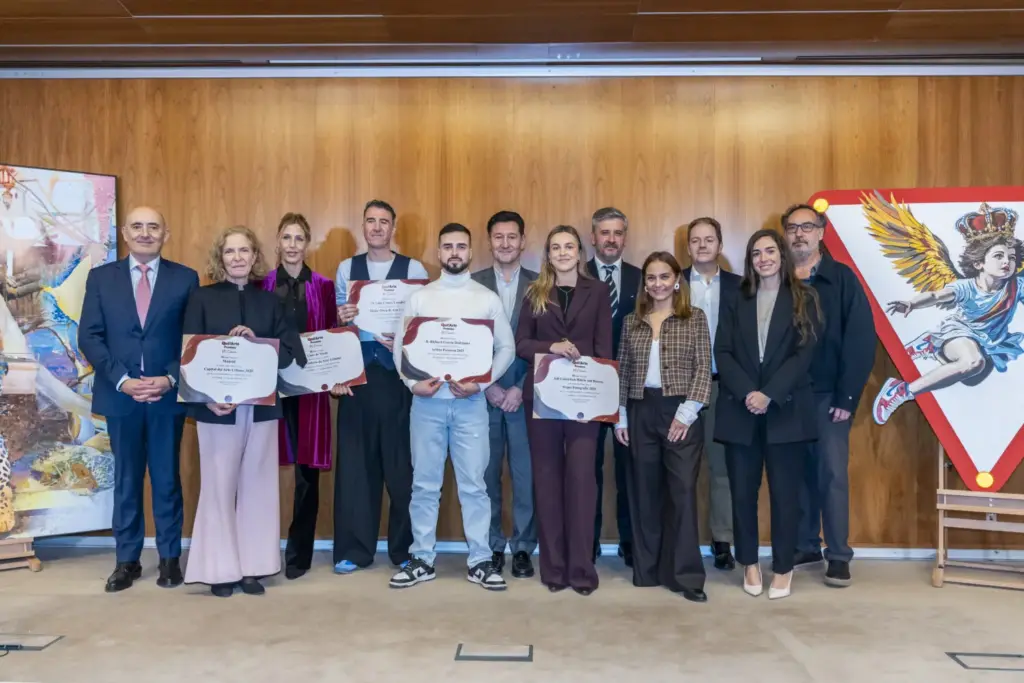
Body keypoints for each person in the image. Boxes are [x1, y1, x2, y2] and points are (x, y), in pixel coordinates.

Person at [388, 223, 515, 590]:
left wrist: (483, 381)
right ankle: (422, 558)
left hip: (470, 404)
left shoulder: (485, 298)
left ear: (471, 252)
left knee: (475, 486)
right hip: (427, 404)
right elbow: (401, 348)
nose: (455, 252)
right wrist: (413, 383)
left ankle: (480, 560)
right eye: (448, 247)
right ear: (438, 253)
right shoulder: (420, 298)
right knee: (424, 485)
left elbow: (505, 348)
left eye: (461, 246)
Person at [79, 206, 199, 593]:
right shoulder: (101, 278)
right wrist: (124, 380)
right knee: (127, 482)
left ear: (166, 233)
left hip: (167, 396)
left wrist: (167, 377)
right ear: (124, 234)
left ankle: (169, 559)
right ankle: (126, 561)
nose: (145, 233)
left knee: (166, 480)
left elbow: (192, 335)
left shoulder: (185, 278)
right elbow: (90, 337)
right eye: (137, 227)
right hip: (122, 398)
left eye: (153, 227)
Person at [182, 226, 306, 597]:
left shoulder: (271, 303)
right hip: (215, 409)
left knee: (258, 488)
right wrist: (205, 399)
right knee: (218, 489)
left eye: (244, 251)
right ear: (220, 259)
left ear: (255, 257)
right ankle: (219, 570)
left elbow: (290, 354)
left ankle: (253, 567)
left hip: (263, 409)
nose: (237, 257)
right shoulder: (201, 299)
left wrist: (258, 344)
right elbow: (188, 356)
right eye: (229, 251)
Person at [714, 229, 821, 600]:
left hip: (785, 411)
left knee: (784, 495)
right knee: (742, 493)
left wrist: (769, 394)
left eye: (770, 251)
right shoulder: (735, 298)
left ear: (782, 255)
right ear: (750, 260)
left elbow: (803, 354)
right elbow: (722, 352)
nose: (764, 258)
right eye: (756, 253)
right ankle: (749, 563)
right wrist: (748, 393)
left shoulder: (803, 297)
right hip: (740, 410)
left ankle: (783, 568)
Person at [333, 200, 429, 574]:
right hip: (358, 377)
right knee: (357, 466)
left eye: (384, 222)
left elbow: (425, 321)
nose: (376, 227)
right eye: (370, 221)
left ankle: (404, 550)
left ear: (394, 228)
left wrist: (405, 336)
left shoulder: (414, 269)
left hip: (400, 379)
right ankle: (354, 550)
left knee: (402, 468)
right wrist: (343, 317)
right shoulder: (347, 268)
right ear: (363, 227)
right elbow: (341, 325)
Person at [517, 225, 613, 595]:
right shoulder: (535, 291)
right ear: (548, 254)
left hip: (585, 400)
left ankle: (581, 570)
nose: (562, 252)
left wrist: (604, 400)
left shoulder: (598, 291)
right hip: (543, 398)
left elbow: (604, 347)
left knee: (581, 484)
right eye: (555, 247)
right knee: (547, 482)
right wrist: (552, 347)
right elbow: (522, 343)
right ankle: (554, 570)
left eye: (568, 246)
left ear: (579, 252)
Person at [783, 203, 875, 588]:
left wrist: (847, 397)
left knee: (832, 474)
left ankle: (838, 555)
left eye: (807, 227)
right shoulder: (778, 277)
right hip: (786, 397)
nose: (799, 234)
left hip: (828, 397)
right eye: (791, 228)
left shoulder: (842, 279)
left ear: (821, 232)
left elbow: (860, 341)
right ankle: (806, 544)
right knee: (797, 474)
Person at [614, 252, 712, 603]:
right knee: (644, 493)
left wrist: (686, 414)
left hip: (681, 410)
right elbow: (623, 371)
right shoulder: (632, 321)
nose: (657, 284)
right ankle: (648, 570)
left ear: (676, 280)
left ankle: (686, 576)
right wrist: (620, 416)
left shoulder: (694, 318)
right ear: (645, 283)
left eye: (663, 277)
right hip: (640, 410)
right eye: (650, 278)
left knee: (682, 494)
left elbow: (704, 368)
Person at [260, 213, 341, 580]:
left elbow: (333, 334)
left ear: (307, 244)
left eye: (299, 239)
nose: (292, 245)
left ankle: (300, 553)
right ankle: (260, 550)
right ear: (277, 242)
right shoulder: (261, 286)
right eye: (286, 238)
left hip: (310, 390)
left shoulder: (323, 286)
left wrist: (338, 375)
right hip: (270, 389)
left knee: (307, 473)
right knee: (261, 467)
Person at [472, 210, 539, 579]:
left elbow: (546, 342)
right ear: (489, 241)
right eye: (498, 237)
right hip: (484, 397)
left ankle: (524, 548)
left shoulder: (541, 283)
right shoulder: (471, 283)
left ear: (523, 241)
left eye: (512, 237)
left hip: (526, 395)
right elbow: (462, 344)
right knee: (486, 476)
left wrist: (520, 386)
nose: (505, 243)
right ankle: (493, 546)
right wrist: (490, 386)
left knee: (525, 476)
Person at [682, 217, 742, 571]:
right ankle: (681, 538)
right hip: (682, 390)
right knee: (680, 468)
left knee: (721, 469)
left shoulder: (740, 286)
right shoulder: (673, 285)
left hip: (723, 388)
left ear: (720, 245)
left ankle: (723, 541)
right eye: (695, 240)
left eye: (709, 239)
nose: (702, 245)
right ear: (687, 247)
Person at [585, 207, 641, 566]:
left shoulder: (642, 277)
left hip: (632, 391)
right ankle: (587, 541)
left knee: (631, 470)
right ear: (593, 237)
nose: (610, 239)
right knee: (586, 471)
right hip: (586, 388)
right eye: (604, 233)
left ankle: (630, 541)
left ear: (625, 237)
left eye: (617, 233)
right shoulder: (573, 274)